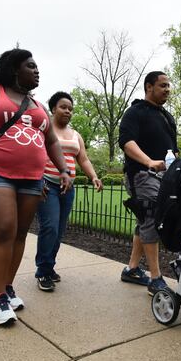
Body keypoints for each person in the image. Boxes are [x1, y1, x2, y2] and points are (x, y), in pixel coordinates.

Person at [0, 48, 71, 326]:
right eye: (30, 66)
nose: (37, 70)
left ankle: (7, 287)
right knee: (4, 229)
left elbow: (51, 142)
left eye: (37, 66)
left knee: (20, 233)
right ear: (13, 69)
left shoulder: (39, 106)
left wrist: (64, 170)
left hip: (32, 177)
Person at [34, 91, 103, 292]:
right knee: (50, 227)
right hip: (47, 185)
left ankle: (49, 266)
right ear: (53, 108)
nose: (68, 111)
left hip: (68, 187)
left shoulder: (75, 135)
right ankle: (42, 272)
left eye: (71, 109)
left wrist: (94, 176)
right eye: (63, 107)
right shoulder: (44, 131)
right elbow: (34, 156)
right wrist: (38, 182)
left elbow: (83, 159)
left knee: (59, 230)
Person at [118, 71, 176, 296]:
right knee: (150, 216)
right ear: (148, 87)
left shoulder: (167, 116)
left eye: (168, 86)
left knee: (146, 220)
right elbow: (126, 142)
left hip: (164, 176)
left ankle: (132, 269)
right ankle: (156, 278)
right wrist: (149, 162)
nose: (167, 90)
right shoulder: (135, 112)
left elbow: (172, 149)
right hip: (141, 174)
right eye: (163, 85)